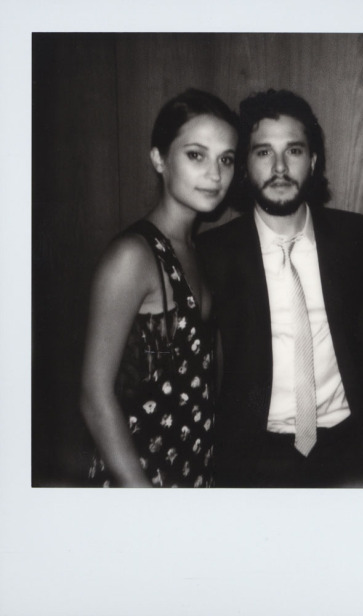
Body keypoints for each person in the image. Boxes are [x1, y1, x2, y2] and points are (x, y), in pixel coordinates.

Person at [197, 89, 363, 488]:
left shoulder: (355, 237)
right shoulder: (213, 252)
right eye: (263, 152)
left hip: (348, 448)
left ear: (314, 161)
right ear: (244, 165)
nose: (280, 167)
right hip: (253, 459)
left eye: (294, 150)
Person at [80, 89, 238, 487]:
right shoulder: (133, 256)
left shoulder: (201, 251)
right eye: (197, 155)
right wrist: (146, 504)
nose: (215, 174)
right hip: (136, 480)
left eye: (226, 159)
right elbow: (94, 396)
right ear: (159, 159)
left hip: (194, 469)